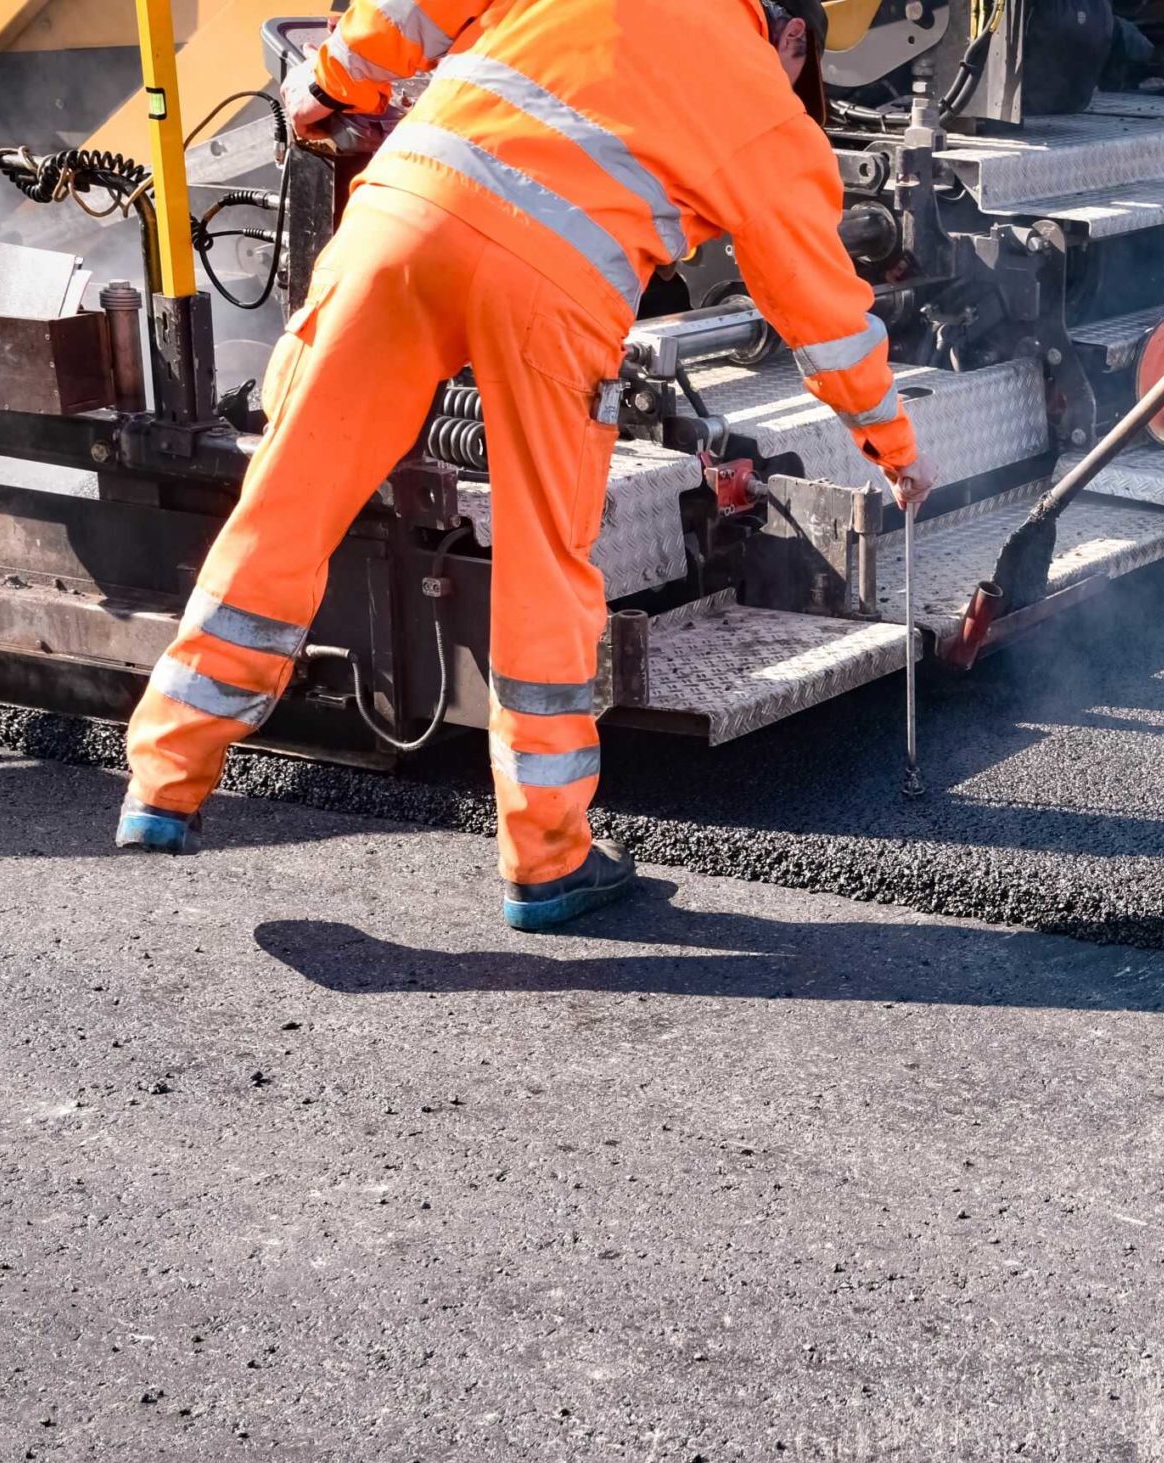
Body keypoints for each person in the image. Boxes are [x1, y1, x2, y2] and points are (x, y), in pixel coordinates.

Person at [118, 0, 932, 932]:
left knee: (285, 504)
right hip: (549, 296)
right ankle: (547, 861)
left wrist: (330, 83)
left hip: (400, 221)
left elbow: (408, 10)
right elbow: (821, 310)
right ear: (790, 37)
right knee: (547, 562)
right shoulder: (768, 108)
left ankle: (164, 780)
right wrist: (892, 446)